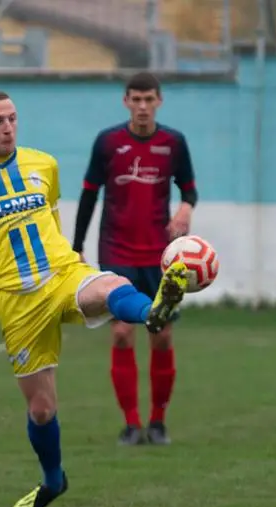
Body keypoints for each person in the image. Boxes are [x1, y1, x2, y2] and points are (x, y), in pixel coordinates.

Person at [0, 89, 189, 507]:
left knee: (108, 285)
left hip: (61, 273)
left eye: (13, 119)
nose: (8, 128)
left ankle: (153, 312)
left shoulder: (44, 164)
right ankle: (53, 479)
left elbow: (51, 214)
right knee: (41, 410)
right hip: (17, 301)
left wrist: (70, 255)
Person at [71, 72, 198, 446]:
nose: (143, 107)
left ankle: (158, 422)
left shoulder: (173, 143)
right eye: (136, 99)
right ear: (125, 101)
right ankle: (131, 424)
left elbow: (190, 189)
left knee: (161, 336)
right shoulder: (108, 142)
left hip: (160, 256)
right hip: (117, 250)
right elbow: (89, 195)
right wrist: (77, 245)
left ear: (159, 101)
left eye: (149, 99)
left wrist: (186, 210)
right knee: (123, 333)